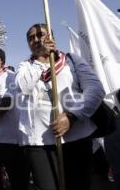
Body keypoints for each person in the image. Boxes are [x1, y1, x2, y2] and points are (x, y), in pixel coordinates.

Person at [15, 23, 105, 190]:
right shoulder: (25, 66)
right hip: (39, 143)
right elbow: (24, 87)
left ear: (51, 38)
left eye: (40, 35)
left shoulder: (71, 59)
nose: (36, 39)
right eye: (31, 38)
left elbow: (96, 90)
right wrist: (41, 58)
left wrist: (72, 116)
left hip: (75, 137)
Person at [0, 47, 30, 190]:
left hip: (10, 140)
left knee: (17, 179)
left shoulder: (10, 76)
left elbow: (7, 102)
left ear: (1, 60)